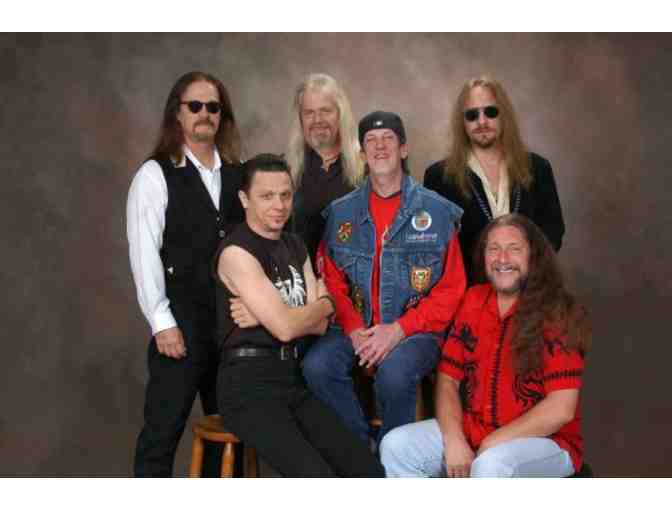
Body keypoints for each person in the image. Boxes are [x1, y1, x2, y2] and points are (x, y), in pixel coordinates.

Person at [380, 213, 591, 477]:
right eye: (494, 249)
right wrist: (454, 439)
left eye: (514, 249)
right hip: (476, 429)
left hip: (547, 441)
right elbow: (448, 380)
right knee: (397, 446)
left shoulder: (558, 312)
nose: (502, 258)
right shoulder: (473, 300)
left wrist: (494, 441)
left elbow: (561, 408)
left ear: (533, 256)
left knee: (492, 464)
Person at [214, 153, 385, 477]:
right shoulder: (237, 252)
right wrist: (321, 305)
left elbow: (319, 326)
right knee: (317, 478)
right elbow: (286, 328)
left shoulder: (295, 245)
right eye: (266, 196)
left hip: (291, 380)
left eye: (285, 195)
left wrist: (285, 314)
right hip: (248, 388)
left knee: (367, 470)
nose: (278, 205)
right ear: (244, 199)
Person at [302, 111, 466, 446]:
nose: (380, 147)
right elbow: (330, 279)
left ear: (403, 149)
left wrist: (399, 329)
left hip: (416, 331)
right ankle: (363, 454)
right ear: (362, 154)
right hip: (353, 328)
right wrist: (353, 328)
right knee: (316, 367)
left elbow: (451, 290)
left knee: (394, 374)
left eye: (388, 139)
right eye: (371, 141)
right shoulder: (341, 212)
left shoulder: (437, 212)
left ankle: (395, 460)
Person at [127, 71, 244, 477]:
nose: (204, 114)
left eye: (213, 106)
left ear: (222, 115)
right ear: (177, 113)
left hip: (230, 327)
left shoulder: (237, 173)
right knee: (160, 437)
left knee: (230, 435)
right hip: (179, 325)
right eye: (194, 106)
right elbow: (143, 253)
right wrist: (162, 322)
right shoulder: (155, 174)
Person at [424, 76, 565, 282]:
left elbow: (553, 233)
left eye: (490, 112)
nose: (481, 122)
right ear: (462, 122)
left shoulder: (538, 168)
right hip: (468, 295)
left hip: (530, 291)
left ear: (504, 115)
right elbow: (436, 249)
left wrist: (520, 278)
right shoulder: (439, 177)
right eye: (472, 115)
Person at [287, 73, 364, 269]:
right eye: (309, 113)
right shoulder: (286, 169)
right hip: (303, 280)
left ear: (341, 114)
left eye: (325, 111)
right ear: (300, 119)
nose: (317, 120)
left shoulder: (367, 166)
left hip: (355, 280)